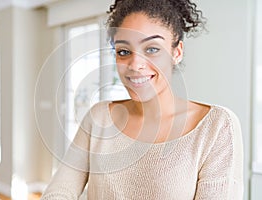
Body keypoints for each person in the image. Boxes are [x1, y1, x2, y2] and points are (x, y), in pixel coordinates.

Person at [41, 0, 244, 199]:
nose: (135, 64)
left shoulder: (216, 126)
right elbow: (60, 190)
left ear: (177, 52)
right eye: (124, 52)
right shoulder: (99, 118)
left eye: (152, 49)